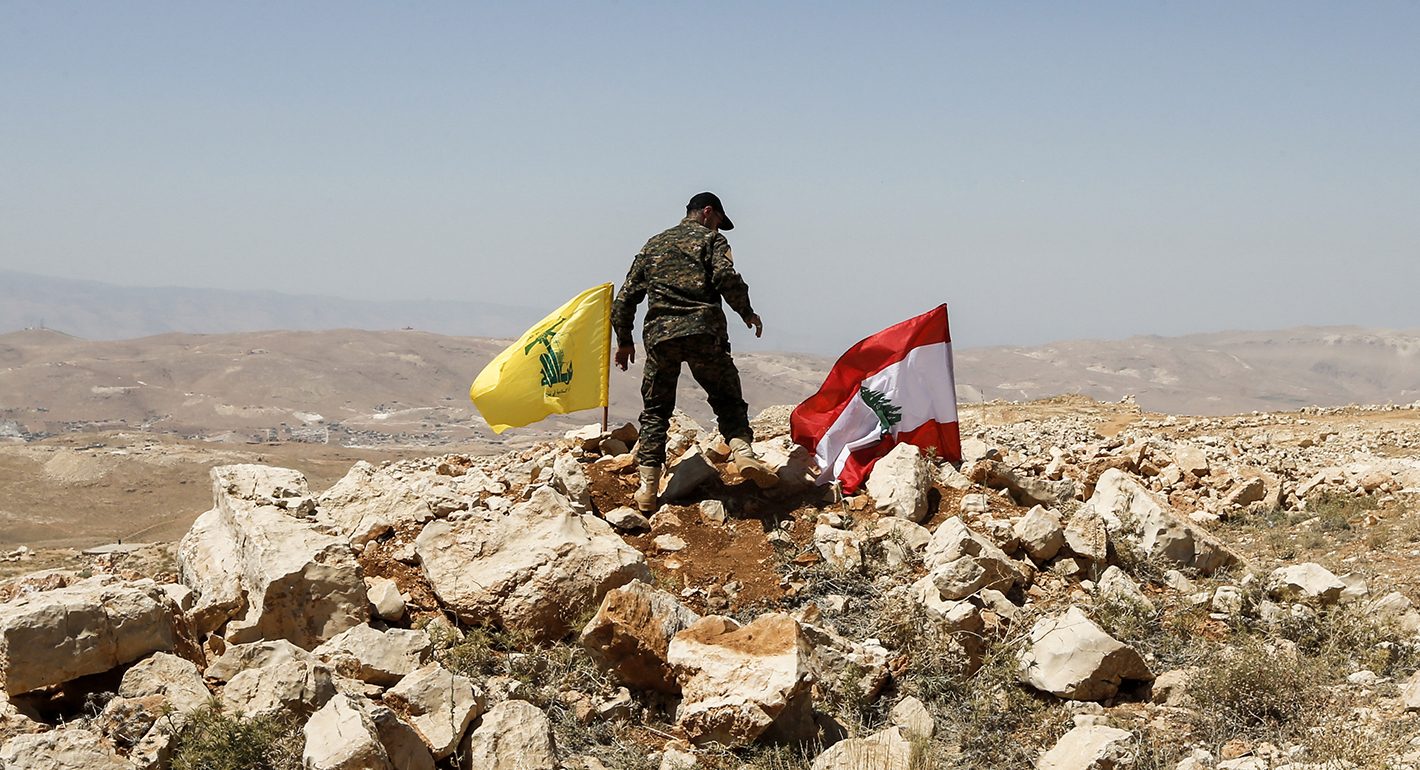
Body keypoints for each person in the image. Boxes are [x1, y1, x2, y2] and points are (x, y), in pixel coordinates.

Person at [611, 191, 777, 511]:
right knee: (727, 397)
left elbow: (626, 297)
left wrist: (625, 341)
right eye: (717, 222)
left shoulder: (653, 244)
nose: (717, 229)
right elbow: (726, 276)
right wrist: (747, 312)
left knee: (656, 412)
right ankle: (743, 453)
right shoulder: (710, 242)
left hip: (661, 338)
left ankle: (647, 489)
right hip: (704, 331)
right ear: (706, 212)